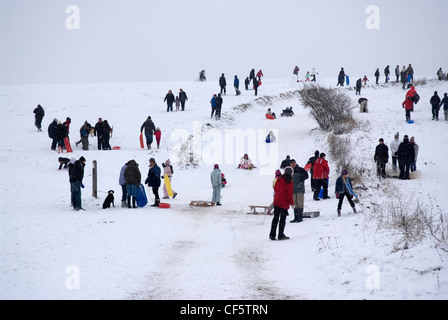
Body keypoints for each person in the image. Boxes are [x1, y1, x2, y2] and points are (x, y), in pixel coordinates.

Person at [269, 167, 294, 240]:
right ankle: (281, 234)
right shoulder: (289, 182)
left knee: (275, 218)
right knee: (282, 219)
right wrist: (292, 203)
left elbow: (275, 188)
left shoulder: (279, 179)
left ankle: (272, 235)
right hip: (283, 203)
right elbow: (289, 194)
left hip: (277, 201)